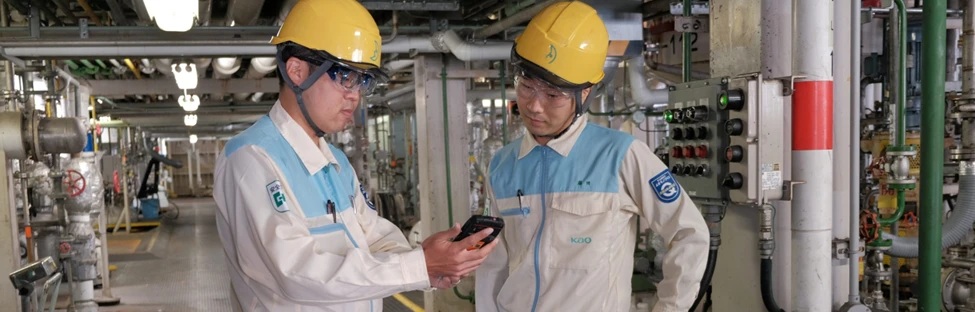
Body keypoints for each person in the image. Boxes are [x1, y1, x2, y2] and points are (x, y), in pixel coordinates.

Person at [213, 0, 497, 310]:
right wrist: (419, 266)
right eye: (344, 76)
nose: (355, 95)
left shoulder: (333, 162)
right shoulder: (251, 159)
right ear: (296, 70)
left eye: (363, 81)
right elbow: (295, 272)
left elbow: (373, 237)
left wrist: (425, 265)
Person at [474, 2, 710, 312]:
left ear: (584, 94)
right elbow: (494, 263)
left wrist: (669, 308)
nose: (534, 105)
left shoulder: (622, 155)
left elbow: (689, 233)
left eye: (553, 95)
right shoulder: (502, 165)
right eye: (527, 87)